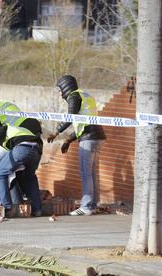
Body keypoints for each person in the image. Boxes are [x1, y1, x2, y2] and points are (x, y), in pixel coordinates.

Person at [47, 75, 106, 216]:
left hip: (89, 138)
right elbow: (83, 123)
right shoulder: (85, 95)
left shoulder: (74, 96)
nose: (60, 93)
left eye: (60, 89)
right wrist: (68, 140)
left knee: (86, 173)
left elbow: (70, 117)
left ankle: (86, 207)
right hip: (97, 136)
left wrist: (56, 132)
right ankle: (93, 205)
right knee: (92, 173)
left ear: (66, 87)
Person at [0, 123, 43, 218]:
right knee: (30, 178)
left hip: (21, 148)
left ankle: (7, 208)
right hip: (36, 150)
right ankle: (38, 209)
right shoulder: (21, 129)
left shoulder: (4, 127)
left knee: (0, 174)